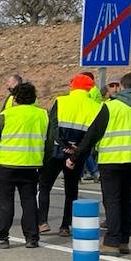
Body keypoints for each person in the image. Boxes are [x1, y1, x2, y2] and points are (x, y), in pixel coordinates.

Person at [69, 70, 131, 255]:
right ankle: (124, 240)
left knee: (112, 200)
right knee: (127, 198)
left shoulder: (111, 107)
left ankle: (112, 241)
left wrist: (74, 157)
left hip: (111, 159)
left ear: (123, 86)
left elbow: (92, 135)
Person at [0, 82, 48, 249]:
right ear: (34, 98)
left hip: (5, 165)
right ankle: (32, 238)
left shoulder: (5, 115)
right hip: (31, 166)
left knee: (5, 203)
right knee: (30, 202)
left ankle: (1, 237)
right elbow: (50, 143)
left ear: (15, 98)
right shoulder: (43, 115)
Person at [38, 73, 100, 237]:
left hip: (56, 151)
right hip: (77, 154)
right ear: (90, 88)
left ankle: (42, 221)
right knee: (71, 190)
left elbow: (53, 127)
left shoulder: (61, 101)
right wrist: (76, 150)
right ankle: (65, 226)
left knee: (45, 186)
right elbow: (92, 135)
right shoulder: (96, 106)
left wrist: (65, 145)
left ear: (72, 86)